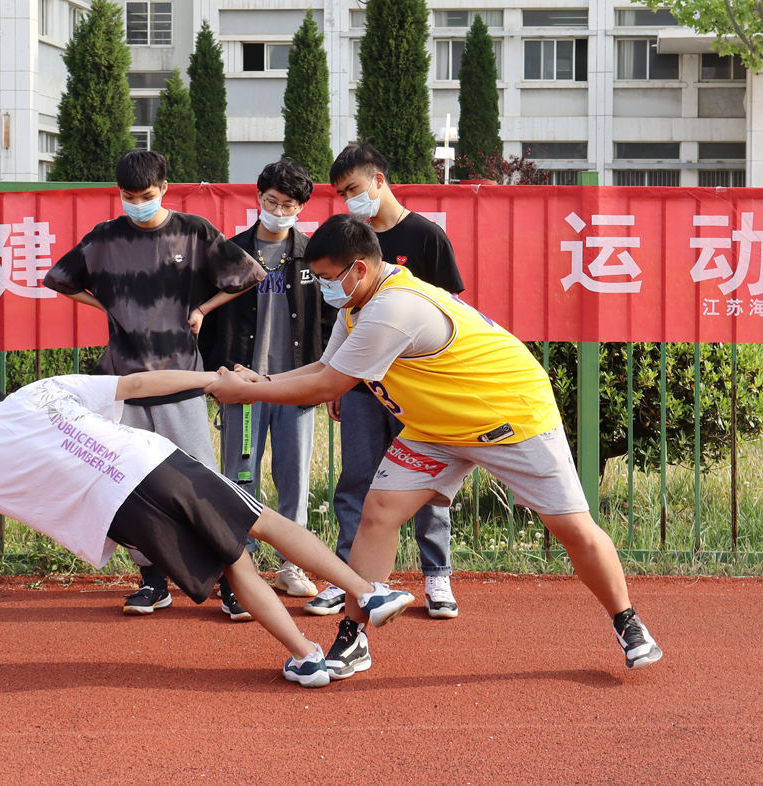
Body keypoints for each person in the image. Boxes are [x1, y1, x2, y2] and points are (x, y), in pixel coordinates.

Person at [206, 214, 663, 680]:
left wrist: (249, 391)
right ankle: (352, 636)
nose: (324, 289)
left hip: (510, 419)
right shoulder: (358, 304)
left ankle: (627, 622)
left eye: (327, 279)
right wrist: (262, 381)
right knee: (379, 512)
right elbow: (326, 366)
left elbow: (327, 386)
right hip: (435, 428)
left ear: (358, 269)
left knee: (572, 529)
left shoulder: (393, 308)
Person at [0, 370, 415, 688]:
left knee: (235, 564)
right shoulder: (40, 391)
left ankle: (306, 658)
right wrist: (214, 383)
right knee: (264, 521)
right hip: (154, 461)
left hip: (123, 511)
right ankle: (367, 590)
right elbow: (139, 385)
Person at [43, 149, 265, 620]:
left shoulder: (194, 231)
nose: (137, 204)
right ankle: (151, 580)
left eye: (146, 196)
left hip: (180, 376)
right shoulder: (105, 238)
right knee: (130, 483)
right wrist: (105, 306)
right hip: (122, 381)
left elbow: (249, 274)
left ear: (164, 188)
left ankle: (232, 581)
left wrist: (204, 308)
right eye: (128, 196)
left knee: (204, 482)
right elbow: (59, 278)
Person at [306, 144, 466, 621]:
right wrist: (336, 383)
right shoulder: (347, 241)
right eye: (340, 193)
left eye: (353, 189)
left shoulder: (427, 237)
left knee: (426, 480)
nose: (348, 199)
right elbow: (342, 316)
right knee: (356, 479)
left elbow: (451, 313)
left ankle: (437, 576)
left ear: (380, 180)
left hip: (417, 394)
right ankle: (350, 579)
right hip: (360, 387)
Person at [196, 159, 336, 600]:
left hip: (297, 388)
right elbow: (206, 319)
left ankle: (293, 567)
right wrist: (216, 373)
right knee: (241, 478)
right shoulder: (231, 254)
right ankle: (242, 567)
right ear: (258, 198)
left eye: (288, 204)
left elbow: (333, 321)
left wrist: (329, 379)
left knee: (293, 479)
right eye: (271, 201)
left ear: (301, 207)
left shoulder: (314, 257)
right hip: (244, 391)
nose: (278, 209)